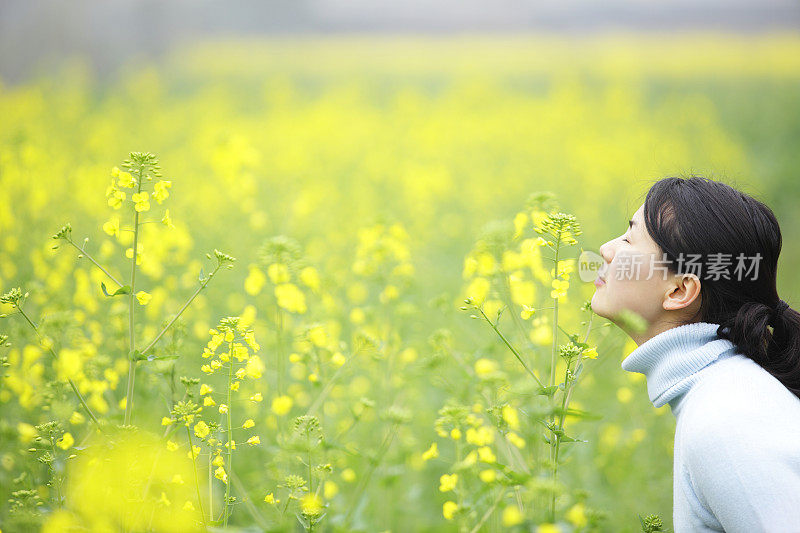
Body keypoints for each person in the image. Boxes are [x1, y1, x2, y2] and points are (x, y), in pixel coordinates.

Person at [590, 176, 800, 532]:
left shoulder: (726, 422)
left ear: (679, 290)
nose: (607, 249)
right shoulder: (724, 395)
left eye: (629, 239)